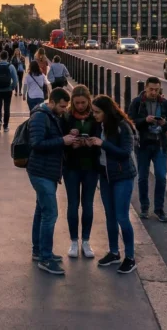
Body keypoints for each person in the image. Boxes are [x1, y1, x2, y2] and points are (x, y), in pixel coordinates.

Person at [27, 87, 78, 275]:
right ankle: (45, 259)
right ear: (53, 102)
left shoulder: (51, 116)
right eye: (62, 106)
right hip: (41, 171)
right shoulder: (41, 117)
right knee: (51, 214)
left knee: (41, 210)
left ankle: (38, 250)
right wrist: (62, 141)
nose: (64, 110)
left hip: (46, 171)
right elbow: (36, 143)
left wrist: (67, 134)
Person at [91, 94, 138, 274]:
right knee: (110, 216)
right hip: (105, 176)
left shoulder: (122, 126)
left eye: (97, 112)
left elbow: (125, 153)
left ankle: (130, 257)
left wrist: (102, 144)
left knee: (121, 216)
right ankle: (113, 252)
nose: (94, 115)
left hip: (122, 176)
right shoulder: (99, 125)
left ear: (107, 111)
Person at [127, 77, 167, 222]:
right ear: (146, 88)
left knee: (161, 176)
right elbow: (129, 121)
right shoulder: (137, 102)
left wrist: (165, 123)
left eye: (157, 89)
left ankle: (159, 209)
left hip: (160, 144)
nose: (154, 92)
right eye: (151, 89)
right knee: (142, 178)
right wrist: (144, 120)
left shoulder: (165, 103)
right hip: (143, 145)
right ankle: (144, 208)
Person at [63, 85, 102, 259]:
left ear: (88, 101)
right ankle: (73, 241)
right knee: (73, 204)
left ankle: (86, 241)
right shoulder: (66, 117)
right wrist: (70, 140)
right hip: (71, 166)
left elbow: (102, 139)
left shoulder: (96, 118)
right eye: (77, 103)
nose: (80, 106)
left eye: (83, 103)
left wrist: (90, 143)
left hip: (91, 166)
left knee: (87, 204)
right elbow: (60, 138)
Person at [0, 50, 20, 131]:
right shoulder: (10, 66)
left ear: (0, 57)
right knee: (7, 107)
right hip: (8, 89)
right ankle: (5, 126)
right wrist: (12, 87)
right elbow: (15, 79)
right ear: (7, 57)